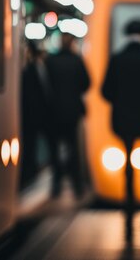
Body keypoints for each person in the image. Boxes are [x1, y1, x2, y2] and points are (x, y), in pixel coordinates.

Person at [102, 20, 140, 236]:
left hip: (123, 122)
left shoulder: (117, 58)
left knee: (128, 168)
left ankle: (128, 216)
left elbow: (106, 91)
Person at [45, 33, 90, 198]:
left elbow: (45, 86)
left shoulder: (50, 61)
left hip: (53, 111)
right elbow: (87, 83)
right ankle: (77, 185)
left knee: (54, 149)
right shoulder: (77, 61)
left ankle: (56, 185)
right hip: (73, 111)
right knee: (73, 148)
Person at [20, 41, 52, 188]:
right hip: (33, 115)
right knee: (31, 145)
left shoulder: (29, 70)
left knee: (31, 145)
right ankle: (31, 171)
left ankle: (31, 171)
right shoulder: (34, 69)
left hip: (32, 116)